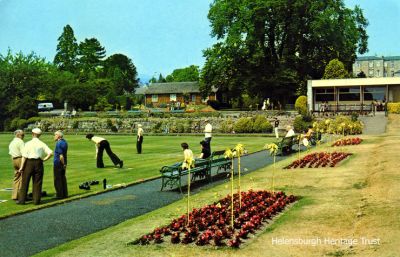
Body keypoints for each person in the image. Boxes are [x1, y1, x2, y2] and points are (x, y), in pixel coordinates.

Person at [18, 128, 53, 205]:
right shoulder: (42, 144)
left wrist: (21, 167)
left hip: (29, 163)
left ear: (32, 134)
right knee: (37, 182)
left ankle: (22, 200)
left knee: (25, 182)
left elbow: (24, 156)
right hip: (38, 163)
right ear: (39, 135)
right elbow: (50, 153)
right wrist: (44, 159)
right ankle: (36, 200)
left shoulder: (27, 143)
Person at [8, 129, 25, 201]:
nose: (24, 136)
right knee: (22, 177)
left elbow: (11, 154)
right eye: (23, 135)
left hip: (14, 160)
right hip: (20, 159)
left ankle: (14, 196)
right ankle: (21, 195)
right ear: (18, 135)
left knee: (16, 177)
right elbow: (24, 153)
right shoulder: (20, 142)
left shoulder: (12, 142)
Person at [53, 130, 68, 199]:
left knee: (57, 179)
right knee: (63, 179)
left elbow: (61, 156)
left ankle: (59, 195)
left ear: (58, 136)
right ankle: (65, 194)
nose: (54, 136)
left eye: (55, 135)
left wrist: (63, 164)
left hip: (58, 163)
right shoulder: (64, 142)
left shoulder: (58, 143)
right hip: (63, 163)